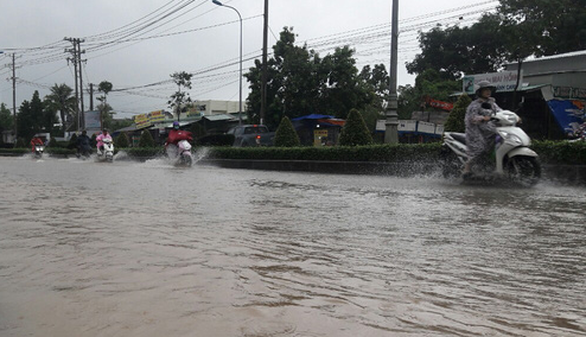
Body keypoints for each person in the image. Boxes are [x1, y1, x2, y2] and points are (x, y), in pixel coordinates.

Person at [462, 80, 502, 176]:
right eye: (485, 90)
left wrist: (513, 116)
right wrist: (483, 118)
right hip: (476, 130)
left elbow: (501, 111)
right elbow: (472, 118)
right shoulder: (475, 104)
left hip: (489, 129)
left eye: (489, 90)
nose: (488, 92)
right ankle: (466, 169)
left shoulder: (492, 103)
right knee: (479, 148)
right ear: (480, 92)